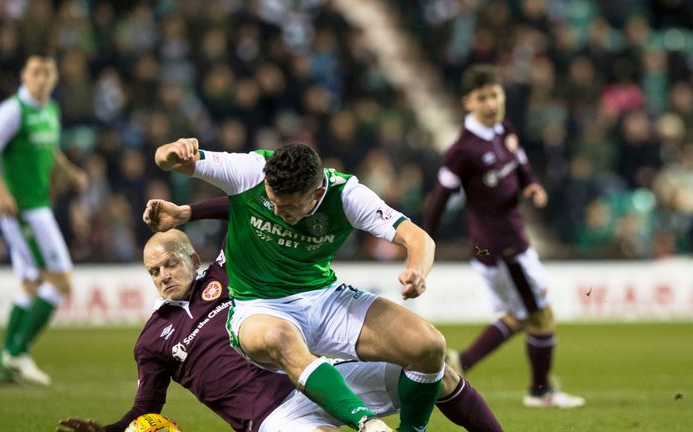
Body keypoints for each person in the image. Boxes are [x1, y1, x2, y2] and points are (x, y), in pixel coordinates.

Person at [57, 228, 504, 432]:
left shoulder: (233, 274)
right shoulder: (152, 340)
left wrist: (192, 206)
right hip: (272, 417)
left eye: (170, 263)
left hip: (321, 376)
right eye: (153, 270)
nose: (163, 275)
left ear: (193, 259)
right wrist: (110, 431)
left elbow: (246, 208)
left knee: (434, 369)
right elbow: (146, 409)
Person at [148, 141, 445, 432]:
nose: (277, 212)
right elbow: (165, 159)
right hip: (258, 308)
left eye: (288, 206)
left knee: (429, 346)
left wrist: (417, 271)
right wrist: (173, 153)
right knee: (279, 337)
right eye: (272, 201)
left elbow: (418, 238)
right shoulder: (250, 170)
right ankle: (368, 424)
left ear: (315, 193)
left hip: (323, 298)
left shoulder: (348, 196)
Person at [423, 64, 585, 409]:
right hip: (501, 247)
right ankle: (540, 392)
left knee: (519, 315)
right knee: (541, 316)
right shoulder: (462, 151)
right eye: (482, 97)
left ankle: (459, 362)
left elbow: (520, 161)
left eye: (495, 94)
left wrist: (532, 185)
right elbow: (439, 198)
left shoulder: (502, 130)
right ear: (468, 102)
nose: (491, 103)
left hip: (511, 242)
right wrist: (426, 242)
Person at [0, 53, 87, 386]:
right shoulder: (13, 110)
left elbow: (50, 148)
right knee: (61, 281)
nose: (42, 79)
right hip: (24, 209)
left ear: (54, 79)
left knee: (31, 283)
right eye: (36, 72)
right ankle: (18, 353)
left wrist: (70, 172)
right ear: (24, 75)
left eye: (48, 73)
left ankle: (1, 364)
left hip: (40, 206)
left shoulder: (50, 109)